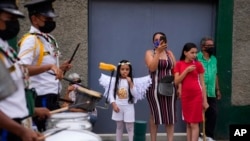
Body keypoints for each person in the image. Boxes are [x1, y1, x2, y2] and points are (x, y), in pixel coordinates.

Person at [0, 0, 51, 140]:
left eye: (15, 18)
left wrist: (32, 110)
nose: (14, 23)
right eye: (10, 19)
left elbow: (9, 98)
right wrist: (21, 131)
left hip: (16, 126)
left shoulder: (6, 49)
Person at [18, 0, 71, 132]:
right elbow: (21, 70)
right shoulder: (31, 40)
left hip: (52, 97)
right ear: (34, 19)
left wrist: (60, 68)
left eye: (52, 18)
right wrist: (49, 67)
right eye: (47, 18)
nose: (51, 21)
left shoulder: (49, 38)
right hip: (41, 98)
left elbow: (45, 68)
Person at [99, 60, 151, 141]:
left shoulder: (131, 81)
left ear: (130, 71)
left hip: (128, 107)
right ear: (119, 70)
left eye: (127, 69)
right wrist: (113, 104)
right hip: (118, 106)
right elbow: (110, 94)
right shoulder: (115, 81)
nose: (125, 71)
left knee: (130, 127)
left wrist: (130, 83)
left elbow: (135, 94)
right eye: (122, 69)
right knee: (119, 126)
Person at [144, 32, 177, 141]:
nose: (158, 41)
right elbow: (152, 68)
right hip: (154, 88)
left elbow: (175, 70)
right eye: (156, 39)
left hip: (169, 87)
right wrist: (157, 52)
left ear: (165, 41)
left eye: (161, 39)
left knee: (170, 115)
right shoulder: (150, 53)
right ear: (153, 42)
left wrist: (179, 86)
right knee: (155, 115)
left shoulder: (169, 53)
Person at [174, 42, 209, 141]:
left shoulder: (198, 65)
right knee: (188, 123)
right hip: (186, 97)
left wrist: (204, 100)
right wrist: (186, 71)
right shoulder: (179, 64)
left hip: (197, 96)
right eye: (192, 52)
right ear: (185, 52)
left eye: (195, 53)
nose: (194, 55)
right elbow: (177, 81)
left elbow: (202, 83)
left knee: (194, 123)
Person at [197, 37, 221, 141]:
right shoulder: (196, 57)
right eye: (209, 46)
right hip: (199, 91)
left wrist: (218, 89)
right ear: (203, 47)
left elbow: (215, 75)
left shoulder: (214, 59)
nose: (211, 47)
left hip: (211, 92)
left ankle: (208, 135)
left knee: (213, 113)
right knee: (197, 114)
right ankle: (197, 136)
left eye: (212, 45)